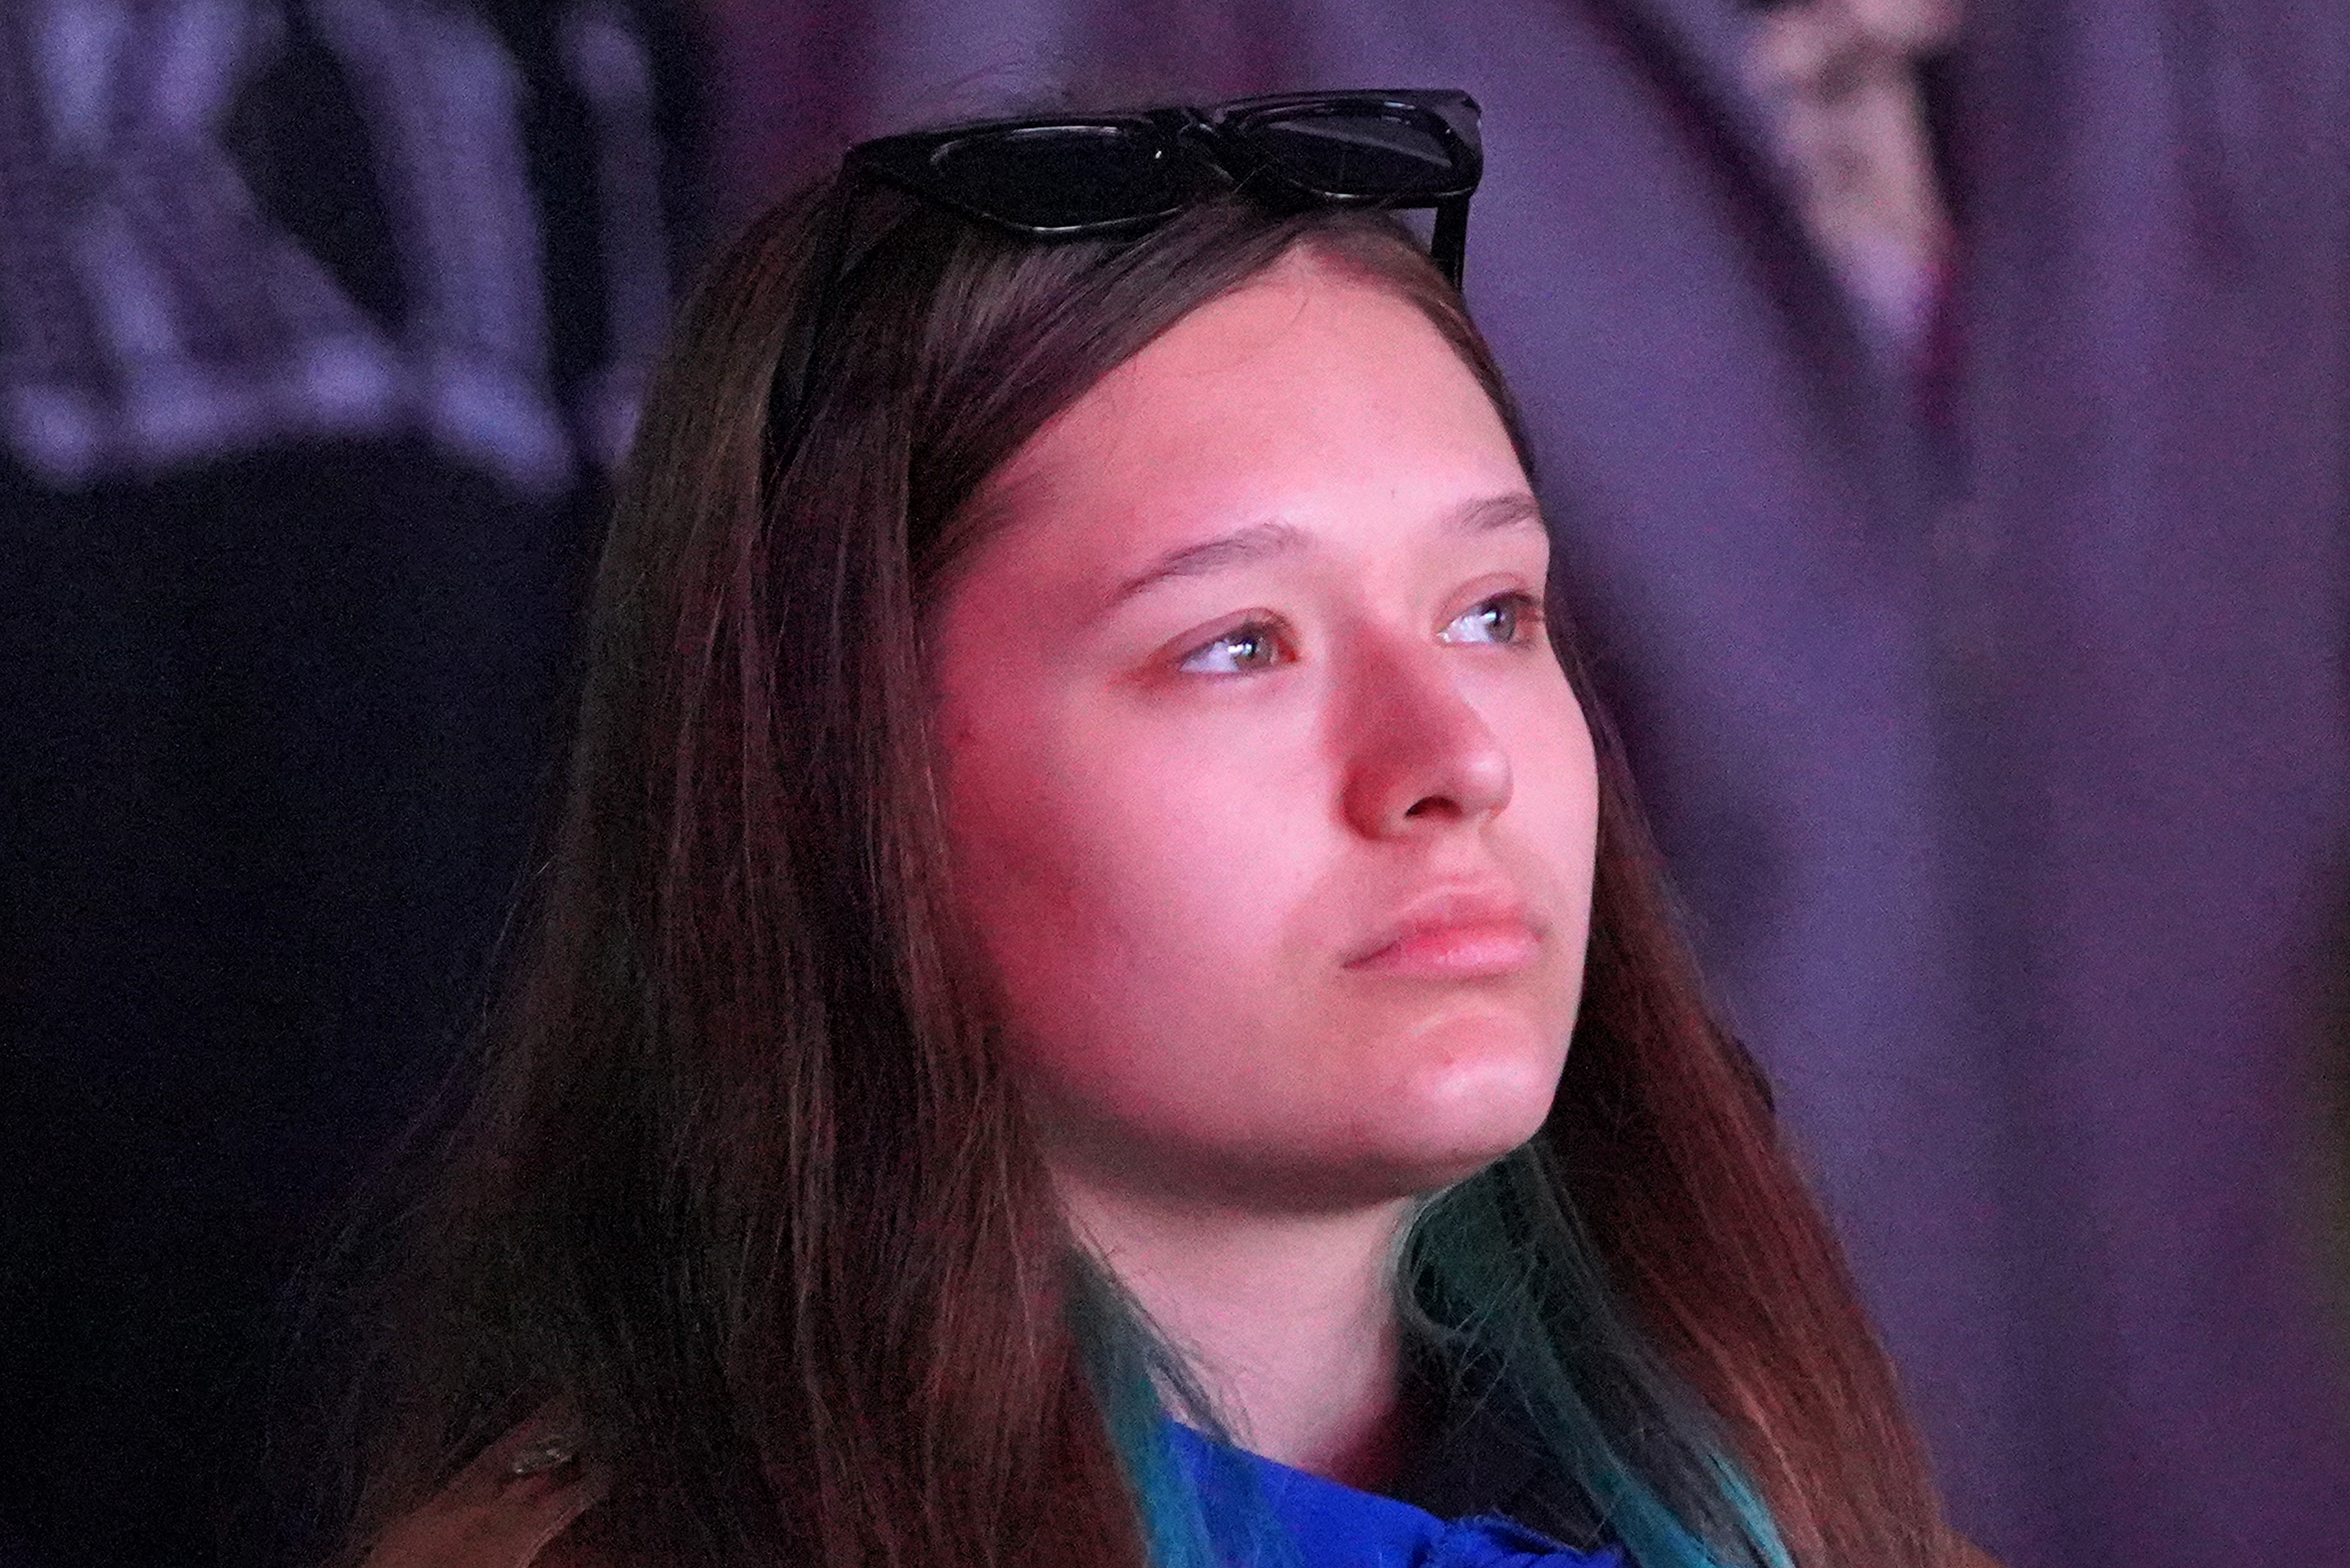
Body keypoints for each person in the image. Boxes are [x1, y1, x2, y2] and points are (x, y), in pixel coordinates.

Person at [332, 92, 1969, 1568]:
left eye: (1490, 612)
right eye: (1237, 645)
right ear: (841, 776)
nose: (1453, 760)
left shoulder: (1822, 1526)